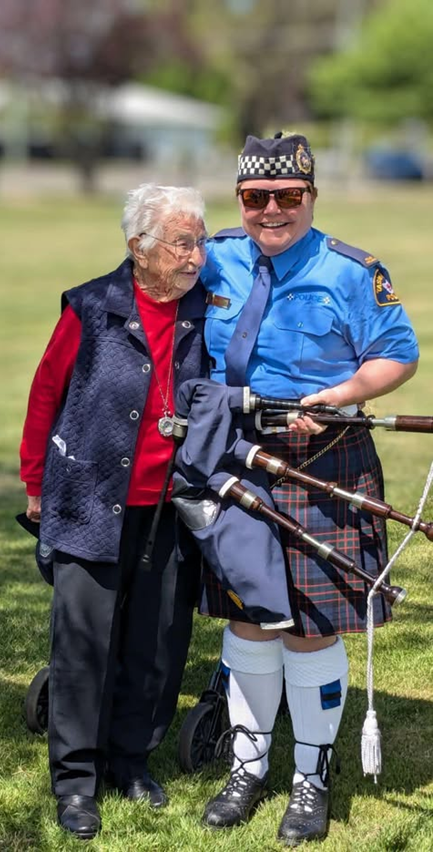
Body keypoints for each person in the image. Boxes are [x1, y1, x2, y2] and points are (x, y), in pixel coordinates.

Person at [197, 133, 419, 845]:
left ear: (310, 197)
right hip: (232, 452)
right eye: (255, 198)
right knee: (249, 617)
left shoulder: (351, 270)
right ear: (238, 200)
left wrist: (339, 395)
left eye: (287, 197)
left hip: (324, 456)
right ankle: (248, 763)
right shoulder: (213, 257)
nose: (270, 210)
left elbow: (396, 354)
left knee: (312, 628)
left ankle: (311, 775)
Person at [19, 183, 209, 840]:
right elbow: (47, 391)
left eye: (199, 240)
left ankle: (130, 761)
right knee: (82, 645)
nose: (195, 255)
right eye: (182, 242)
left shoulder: (208, 309)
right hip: (87, 499)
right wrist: (34, 481)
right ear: (138, 247)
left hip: (168, 506)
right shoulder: (92, 307)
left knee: (155, 642)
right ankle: (76, 781)